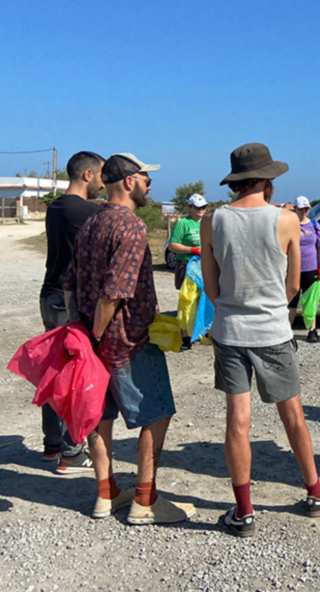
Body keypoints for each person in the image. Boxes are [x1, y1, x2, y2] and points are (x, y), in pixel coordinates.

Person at [202, 143, 320, 537]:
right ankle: (315, 490)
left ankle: (244, 511)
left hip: (229, 331)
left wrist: (234, 307)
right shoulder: (286, 220)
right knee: (292, 415)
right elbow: (294, 284)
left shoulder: (212, 220)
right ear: (266, 179)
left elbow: (211, 288)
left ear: (234, 181)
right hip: (273, 332)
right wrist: (271, 309)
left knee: (238, 420)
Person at [64, 153, 195, 524]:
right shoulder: (132, 226)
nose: (149, 185)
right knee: (158, 414)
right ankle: (144, 500)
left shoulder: (90, 223)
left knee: (99, 418)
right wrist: (98, 335)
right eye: (144, 179)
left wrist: (83, 333)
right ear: (127, 182)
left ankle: (106, 495)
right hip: (127, 339)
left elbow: (70, 282)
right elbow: (115, 292)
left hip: (90, 341)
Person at [39, 151, 104, 473]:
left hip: (49, 294)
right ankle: (71, 452)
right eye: (103, 176)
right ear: (88, 175)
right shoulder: (86, 211)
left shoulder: (56, 207)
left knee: (55, 372)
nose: (104, 185)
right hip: (70, 301)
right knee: (78, 377)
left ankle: (52, 445)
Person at [168, 193, 208, 350]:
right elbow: (173, 245)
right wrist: (193, 249)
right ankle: (186, 335)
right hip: (187, 264)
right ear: (190, 208)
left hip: (203, 264)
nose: (201, 210)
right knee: (187, 300)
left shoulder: (206, 222)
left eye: (203, 207)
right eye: (198, 208)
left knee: (204, 298)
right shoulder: (183, 224)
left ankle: (201, 331)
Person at [288, 195, 320, 342]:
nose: (304, 212)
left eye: (306, 209)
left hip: (311, 268)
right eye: (301, 209)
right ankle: (288, 331)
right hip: (293, 269)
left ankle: (312, 330)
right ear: (295, 209)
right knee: (291, 301)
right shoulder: (290, 225)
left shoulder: (315, 225)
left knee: (310, 302)